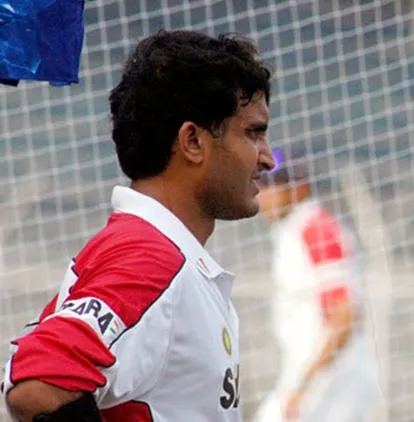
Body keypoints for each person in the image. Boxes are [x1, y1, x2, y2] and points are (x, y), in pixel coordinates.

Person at [1, 29, 275, 421]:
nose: (268, 158)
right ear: (192, 141)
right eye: (253, 133)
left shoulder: (150, 250)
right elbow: (39, 381)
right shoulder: (151, 259)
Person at [252, 149, 381, 422]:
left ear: (298, 188)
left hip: (332, 377)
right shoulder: (293, 229)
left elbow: (344, 315)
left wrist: (305, 384)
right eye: (260, 184)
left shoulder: (316, 231)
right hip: (316, 372)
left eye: (273, 186)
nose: (263, 194)